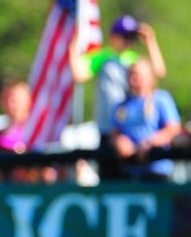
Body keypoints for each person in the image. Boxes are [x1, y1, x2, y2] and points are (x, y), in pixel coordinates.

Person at [69, 15, 167, 178]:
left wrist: (150, 41)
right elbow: (79, 74)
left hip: (129, 132)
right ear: (114, 36)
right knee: (109, 176)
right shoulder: (102, 57)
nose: (128, 41)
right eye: (125, 36)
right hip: (108, 129)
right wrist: (72, 47)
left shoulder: (133, 58)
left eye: (131, 37)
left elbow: (158, 71)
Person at [111, 60, 182, 181]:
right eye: (131, 74)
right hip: (129, 172)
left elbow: (173, 128)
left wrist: (149, 143)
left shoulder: (161, 99)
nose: (133, 79)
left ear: (150, 78)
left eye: (137, 75)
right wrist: (119, 141)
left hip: (157, 172)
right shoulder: (121, 105)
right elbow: (114, 131)